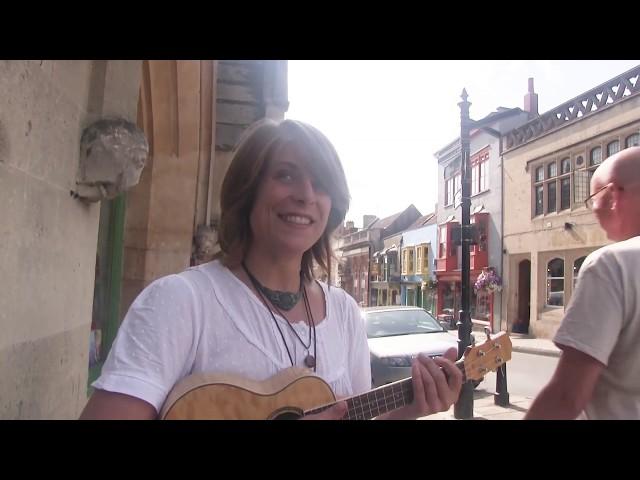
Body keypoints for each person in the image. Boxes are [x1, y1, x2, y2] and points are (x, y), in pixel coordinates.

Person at [80, 118, 463, 420]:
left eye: (321, 183)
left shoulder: (344, 313)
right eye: (285, 175)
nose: (306, 195)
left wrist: (409, 410)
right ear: (247, 190)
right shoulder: (180, 303)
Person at [526, 146, 640, 420]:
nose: (593, 211)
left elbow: (566, 397)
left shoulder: (612, 265)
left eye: (593, 198)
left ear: (613, 196)